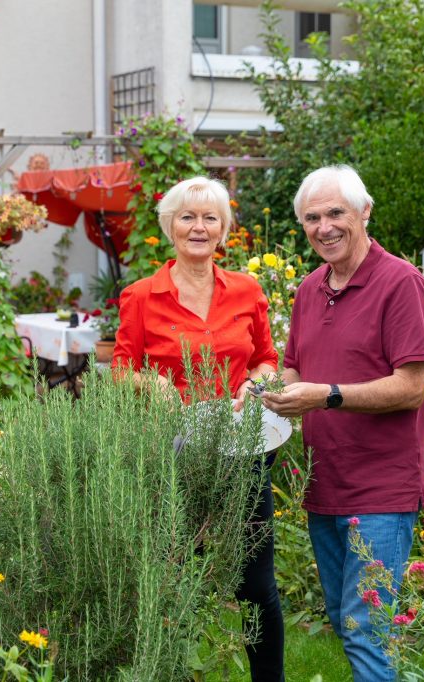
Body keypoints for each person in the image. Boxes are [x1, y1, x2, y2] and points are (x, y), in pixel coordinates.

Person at [261, 165, 424, 682]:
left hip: (381, 488)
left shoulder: (400, 282)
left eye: (336, 213)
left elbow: (412, 386)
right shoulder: (310, 288)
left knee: (367, 632)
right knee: (347, 622)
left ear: (364, 211)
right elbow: (295, 366)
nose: (324, 227)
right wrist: (275, 391)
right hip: (326, 485)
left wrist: (328, 396)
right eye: (311, 218)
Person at [112, 176, 284, 682]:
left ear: (223, 229)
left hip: (241, 452)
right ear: (170, 226)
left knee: (256, 586)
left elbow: (267, 359)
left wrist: (255, 384)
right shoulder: (141, 296)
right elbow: (121, 369)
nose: (199, 227)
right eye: (188, 217)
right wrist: (149, 384)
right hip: (173, 456)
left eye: (211, 218)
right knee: (170, 580)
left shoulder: (247, 290)